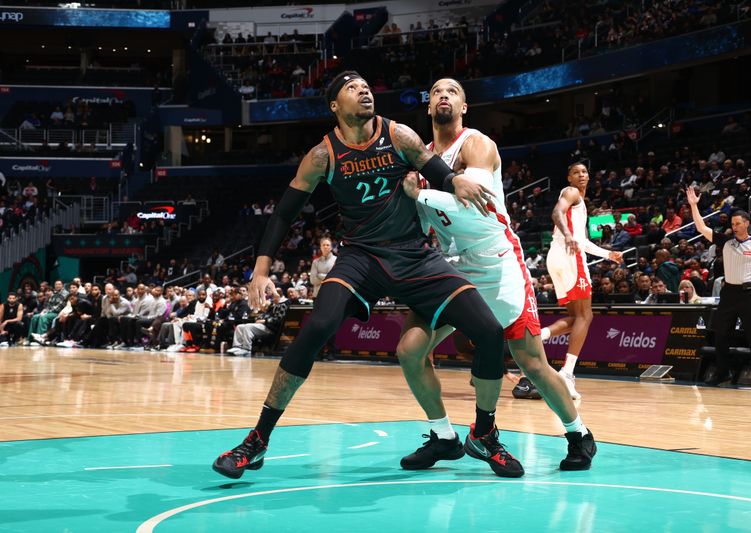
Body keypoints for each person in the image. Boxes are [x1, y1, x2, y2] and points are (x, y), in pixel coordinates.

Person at [213, 71, 514, 480]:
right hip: (362, 258)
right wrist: (261, 269)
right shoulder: (323, 155)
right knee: (316, 326)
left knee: (491, 333)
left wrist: (456, 180)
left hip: (415, 256)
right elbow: (285, 212)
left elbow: (437, 169)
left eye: (367, 86)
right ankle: (258, 440)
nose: (365, 91)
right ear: (335, 106)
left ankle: (484, 434)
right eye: (353, 88)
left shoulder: (400, 135)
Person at [397, 78, 597, 474]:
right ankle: (444, 437)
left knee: (531, 362)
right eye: (436, 90)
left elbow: (472, 204)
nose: (443, 96)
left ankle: (579, 435)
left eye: (452, 91)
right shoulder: (422, 161)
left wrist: (417, 195)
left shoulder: (477, 144)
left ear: (464, 106)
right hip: (452, 267)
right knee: (409, 350)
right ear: (428, 106)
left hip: (497, 262)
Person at [535, 163, 623, 399]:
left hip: (557, 256)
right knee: (586, 316)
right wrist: (567, 235)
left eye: (584, 172)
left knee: (577, 317)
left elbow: (582, 240)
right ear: (569, 177)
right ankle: (567, 372)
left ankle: (538, 336)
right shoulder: (571, 193)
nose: (581, 175)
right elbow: (556, 213)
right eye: (576, 172)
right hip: (568, 256)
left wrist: (608, 254)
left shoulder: (581, 205)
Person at [686, 187, 751, 388]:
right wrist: (693, 205)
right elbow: (700, 227)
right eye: (732, 223)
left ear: (746, 224)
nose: (734, 226)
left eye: (737, 223)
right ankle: (722, 373)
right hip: (729, 294)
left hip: (749, 294)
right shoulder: (725, 241)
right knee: (721, 335)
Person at [226, 292, 289, 356]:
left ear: (279, 297)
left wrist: (265, 321)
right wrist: (259, 318)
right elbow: (265, 314)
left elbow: (278, 320)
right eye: (272, 297)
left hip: (271, 328)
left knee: (248, 327)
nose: (273, 299)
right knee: (240, 326)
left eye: (274, 297)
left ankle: (246, 349)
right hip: (264, 326)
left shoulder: (283, 305)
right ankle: (237, 347)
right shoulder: (273, 304)